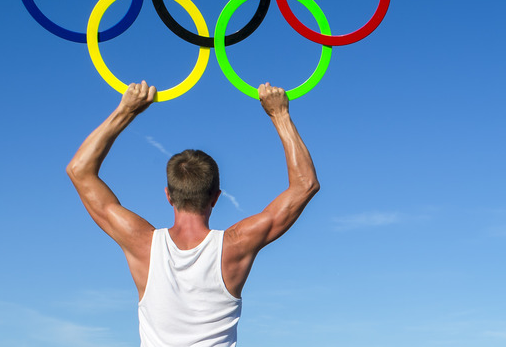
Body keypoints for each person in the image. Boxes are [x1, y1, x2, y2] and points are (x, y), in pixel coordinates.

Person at [67, 80, 319, 347]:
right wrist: (280, 115)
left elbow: (79, 170)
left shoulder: (141, 243)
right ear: (216, 197)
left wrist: (127, 110)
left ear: (168, 195)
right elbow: (305, 184)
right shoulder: (236, 245)